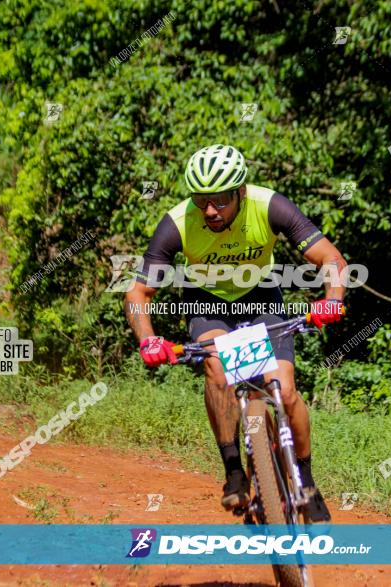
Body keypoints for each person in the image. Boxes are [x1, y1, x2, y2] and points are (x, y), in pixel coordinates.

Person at [124, 144, 346, 522]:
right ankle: (233, 471)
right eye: (201, 200)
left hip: (261, 297)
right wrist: (148, 338)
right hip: (207, 302)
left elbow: (331, 258)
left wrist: (332, 298)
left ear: (241, 192)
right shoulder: (178, 222)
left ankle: (305, 480)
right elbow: (138, 291)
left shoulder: (270, 205)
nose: (210, 210)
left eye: (221, 200)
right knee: (216, 368)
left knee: (286, 390)